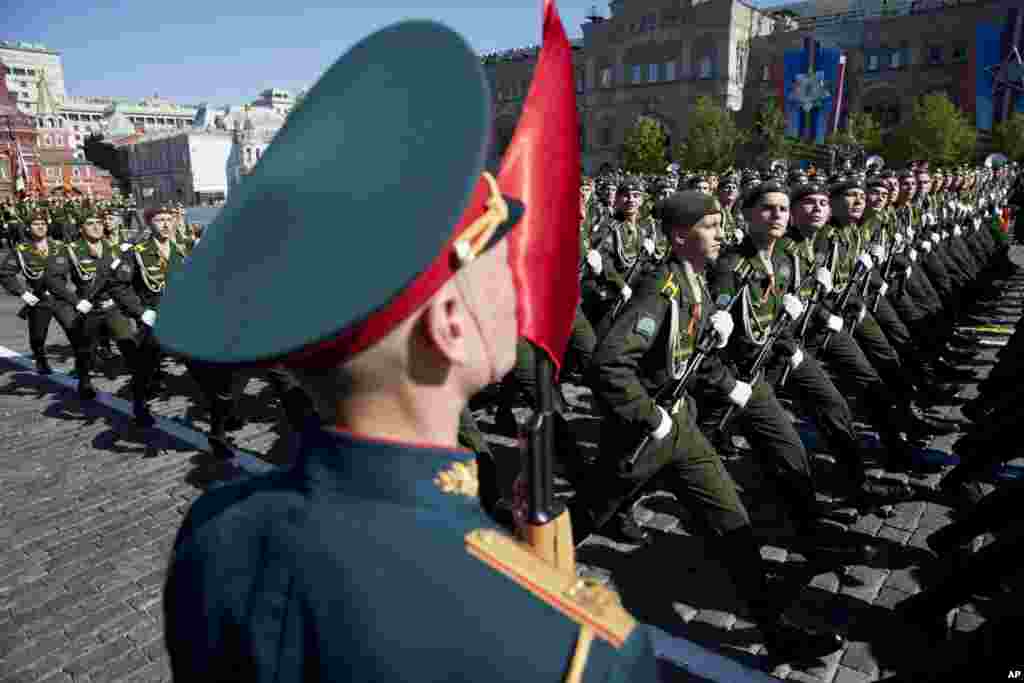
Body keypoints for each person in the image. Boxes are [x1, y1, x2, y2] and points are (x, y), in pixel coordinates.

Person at [158, 21, 659, 681]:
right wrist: (535, 599)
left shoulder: (212, 535)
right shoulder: (584, 649)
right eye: (499, 260)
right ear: (451, 325)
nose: (519, 279)